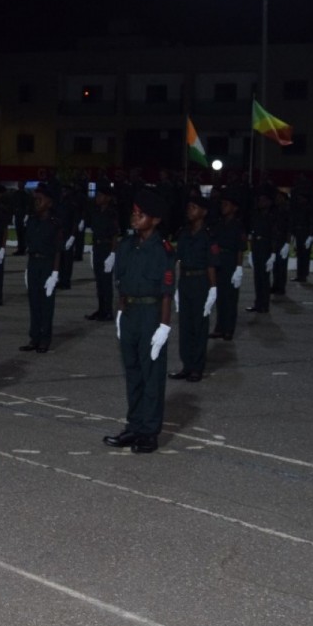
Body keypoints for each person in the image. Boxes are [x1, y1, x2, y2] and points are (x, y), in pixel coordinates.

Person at [104, 189, 174, 453]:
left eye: (140, 214)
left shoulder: (163, 250)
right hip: (131, 314)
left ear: (154, 220)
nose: (134, 218)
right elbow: (121, 283)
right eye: (133, 213)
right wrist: (121, 313)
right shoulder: (126, 245)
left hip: (151, 316)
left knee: (151, 376)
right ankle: (133, 426)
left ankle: (149, 432)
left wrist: (164, 327)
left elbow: (167, 291)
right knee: (133, 374)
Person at [170, 192, 216, 383]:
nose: (190, 210)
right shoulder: (184, 233)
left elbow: (211, 264)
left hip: (201, 282)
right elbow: (177, 260)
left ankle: (197, 367)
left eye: (194, 207)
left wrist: (213, 289)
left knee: (199, 325)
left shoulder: (208, 235)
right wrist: (176, 287)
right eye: (189, 207)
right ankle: (186, 365)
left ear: (203, 212)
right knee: (185, 325)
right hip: (186, 281)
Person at [20, 181, 62, 351]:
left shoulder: (54, 223)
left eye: (41, 199)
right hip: (33, 263)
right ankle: (34, 338)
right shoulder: (31, 220)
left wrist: (55, 273)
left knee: (46, 304)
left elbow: (58, 249)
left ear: (49, 202)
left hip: (47, 264)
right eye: (35, 199)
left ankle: (45, 339)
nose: (37, 202)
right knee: (34, 302)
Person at [208, 195, 245, 341]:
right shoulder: (219, 224)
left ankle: (229, 329)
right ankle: (219, 327)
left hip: (231, 260)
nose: (223, 207)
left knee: (230, 297)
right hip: (219, 261)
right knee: (220, 296)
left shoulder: (237, 225)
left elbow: (240, 248)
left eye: (227, 204)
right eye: (222, 204)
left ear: (234, 208)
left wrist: (239, 268)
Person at [85, 185, 117, 322]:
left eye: (100, 195)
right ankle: (101, 309)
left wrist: (112, 254)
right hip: (97, 247)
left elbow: (115, 235)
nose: (97, 198)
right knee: (99, 281)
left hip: (106, 247)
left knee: (106, 281)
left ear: (108, 198)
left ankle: (108, 311)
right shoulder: (96, 211)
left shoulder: (112, 213)